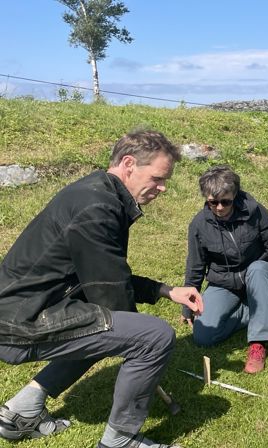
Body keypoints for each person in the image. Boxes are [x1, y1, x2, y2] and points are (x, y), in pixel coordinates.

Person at [0, 130, 203, 448]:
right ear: (129, 163)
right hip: (22, 318)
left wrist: (166, 291)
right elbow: (112, 295)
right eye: (159, 178)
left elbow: (106, 274)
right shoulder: (97, 208)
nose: (162, 188)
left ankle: (20, 413)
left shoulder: (98, 193)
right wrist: (140, 337)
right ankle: (120, 441)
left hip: (30, 306)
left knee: (101, 326)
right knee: (153, 335)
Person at [181, 165, 268, 374]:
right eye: (213, 202)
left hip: (261, 272)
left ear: (235, 195)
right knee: (203, 336)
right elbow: (195, 265)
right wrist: (187, 305)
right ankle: (257, 308)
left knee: (258, 269)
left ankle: (258, 342)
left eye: (225, 201)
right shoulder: (199, 225)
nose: (219, 207)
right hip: (224, 282)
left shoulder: (256, 211)